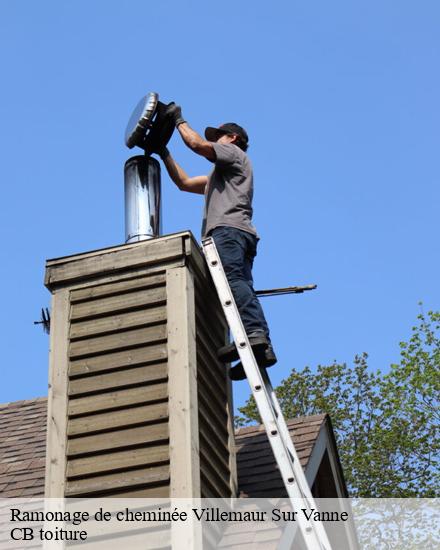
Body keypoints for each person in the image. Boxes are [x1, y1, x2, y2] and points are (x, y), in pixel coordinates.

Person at [155, 103, 276, 380]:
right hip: (237, 233)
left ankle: (256, 334)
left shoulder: (233, 154)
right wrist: (164, 152)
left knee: (234, 283)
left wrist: (178, 121)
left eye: (218, 136)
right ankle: (260, 349)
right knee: (238, 285)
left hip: (228, 232)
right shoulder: (221, 176)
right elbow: (184, 183)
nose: (214, 140)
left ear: (232, 139)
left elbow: (197, 144)